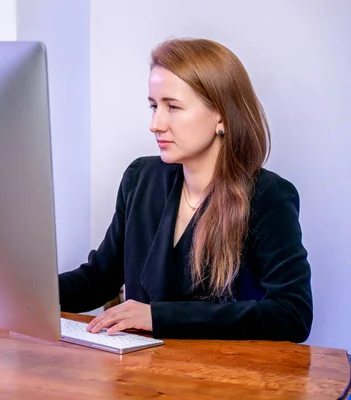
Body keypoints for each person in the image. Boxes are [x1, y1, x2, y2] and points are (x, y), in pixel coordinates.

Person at [58, 38, 313, 343]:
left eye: (173, 107)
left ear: (221, 116)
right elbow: (99, 279)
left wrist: (158, 317)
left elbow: (292, 314)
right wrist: (24, 292)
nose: (156, 123)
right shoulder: (140, 178)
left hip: (222, 380)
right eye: (154, 106)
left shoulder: (267, 196)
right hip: (140, 377)